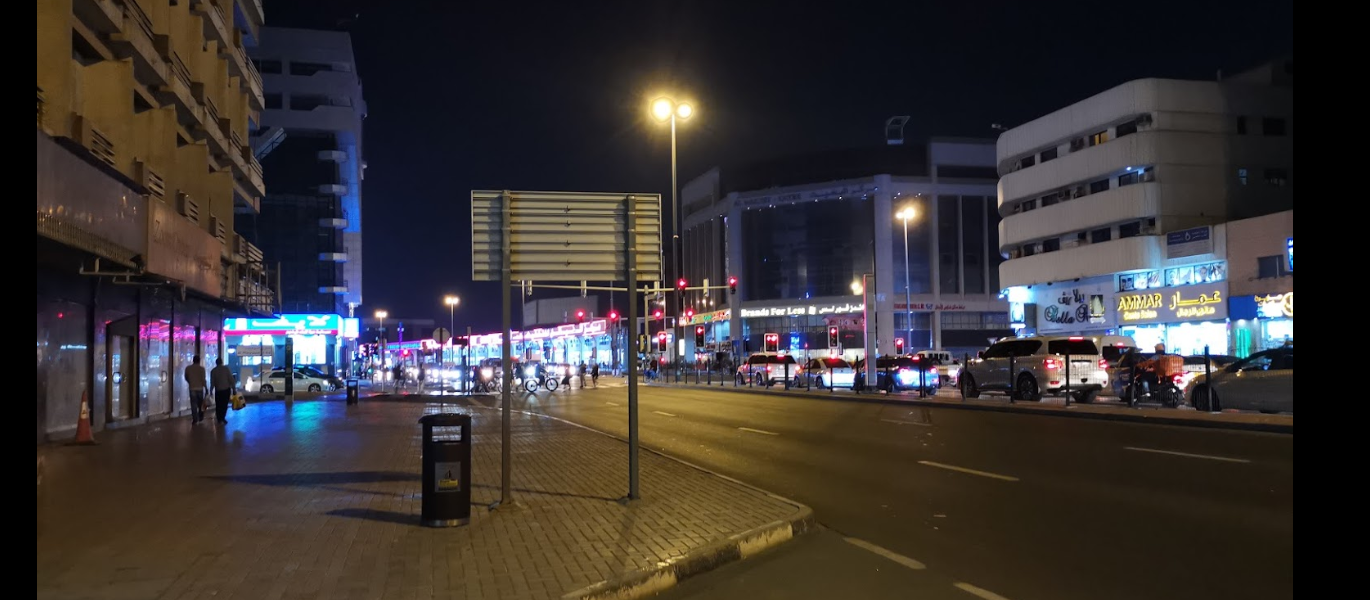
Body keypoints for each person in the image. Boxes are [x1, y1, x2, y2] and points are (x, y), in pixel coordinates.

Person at [210, 358, 234, 424]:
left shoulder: (213, 371)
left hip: (218, 390)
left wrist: (211, 390)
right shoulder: (226, 369)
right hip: (226, 390)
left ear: (216, 363)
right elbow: (231, 379)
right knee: (224, 404)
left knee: (218, 404)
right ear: (222, 362)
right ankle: (222, 418)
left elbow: (212, 382)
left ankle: (219, 418)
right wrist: (234, 388)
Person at [184, 355, 208, 424]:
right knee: (200, 404)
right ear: (199, 361)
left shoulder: (188, 368)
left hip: (192, 388)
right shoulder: (202, 369)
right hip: (200, 388)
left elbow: (186, 377)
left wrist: (190, 382)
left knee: (193, 404)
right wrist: (206, 388)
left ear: (193, 360)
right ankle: (200, 416)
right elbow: (203, 380)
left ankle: (195, 419)